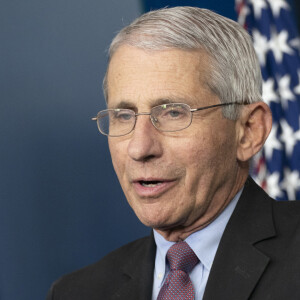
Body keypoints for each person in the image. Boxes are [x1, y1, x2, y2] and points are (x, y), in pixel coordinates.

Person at [46, 6, 300, 300]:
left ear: (248, 131)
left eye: (174, 113)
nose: (140, 148)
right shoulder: (76, 293)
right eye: (124, 116)